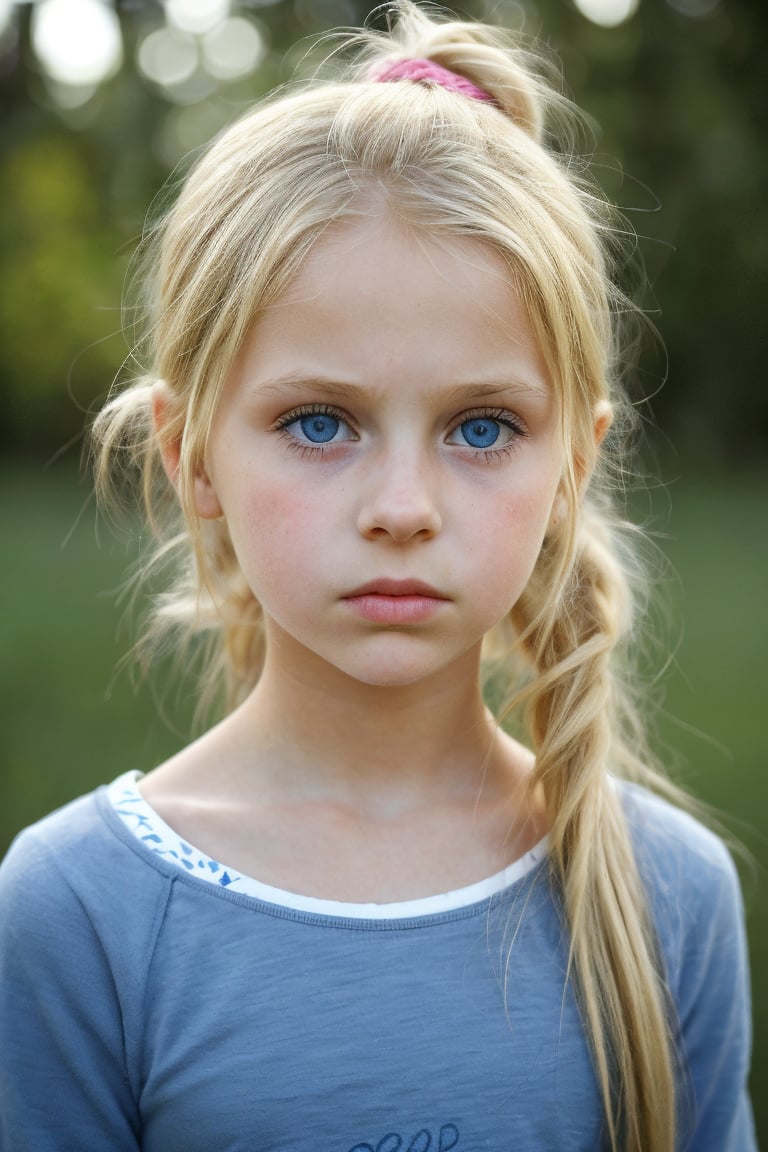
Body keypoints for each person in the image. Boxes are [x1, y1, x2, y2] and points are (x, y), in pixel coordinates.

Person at [0, 3, 755, 1150]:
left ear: (574, 463)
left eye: (483, 428)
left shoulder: (668, 896)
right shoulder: (77, 913)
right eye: (318, 422)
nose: (402, 509)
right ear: (191, 454)